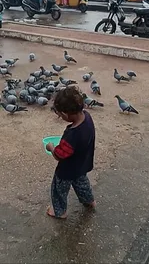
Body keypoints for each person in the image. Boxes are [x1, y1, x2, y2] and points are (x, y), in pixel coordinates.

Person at [46, 86, 96, 219]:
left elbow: (60, 155)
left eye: (60, 115)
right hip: (82, 163)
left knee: (58, 190)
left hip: (67, 170)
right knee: (82, 184)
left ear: (66, 114)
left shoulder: (72, 136)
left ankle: (59, 211)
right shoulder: (87, 117)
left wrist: (51, 147)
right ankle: (89, 201)